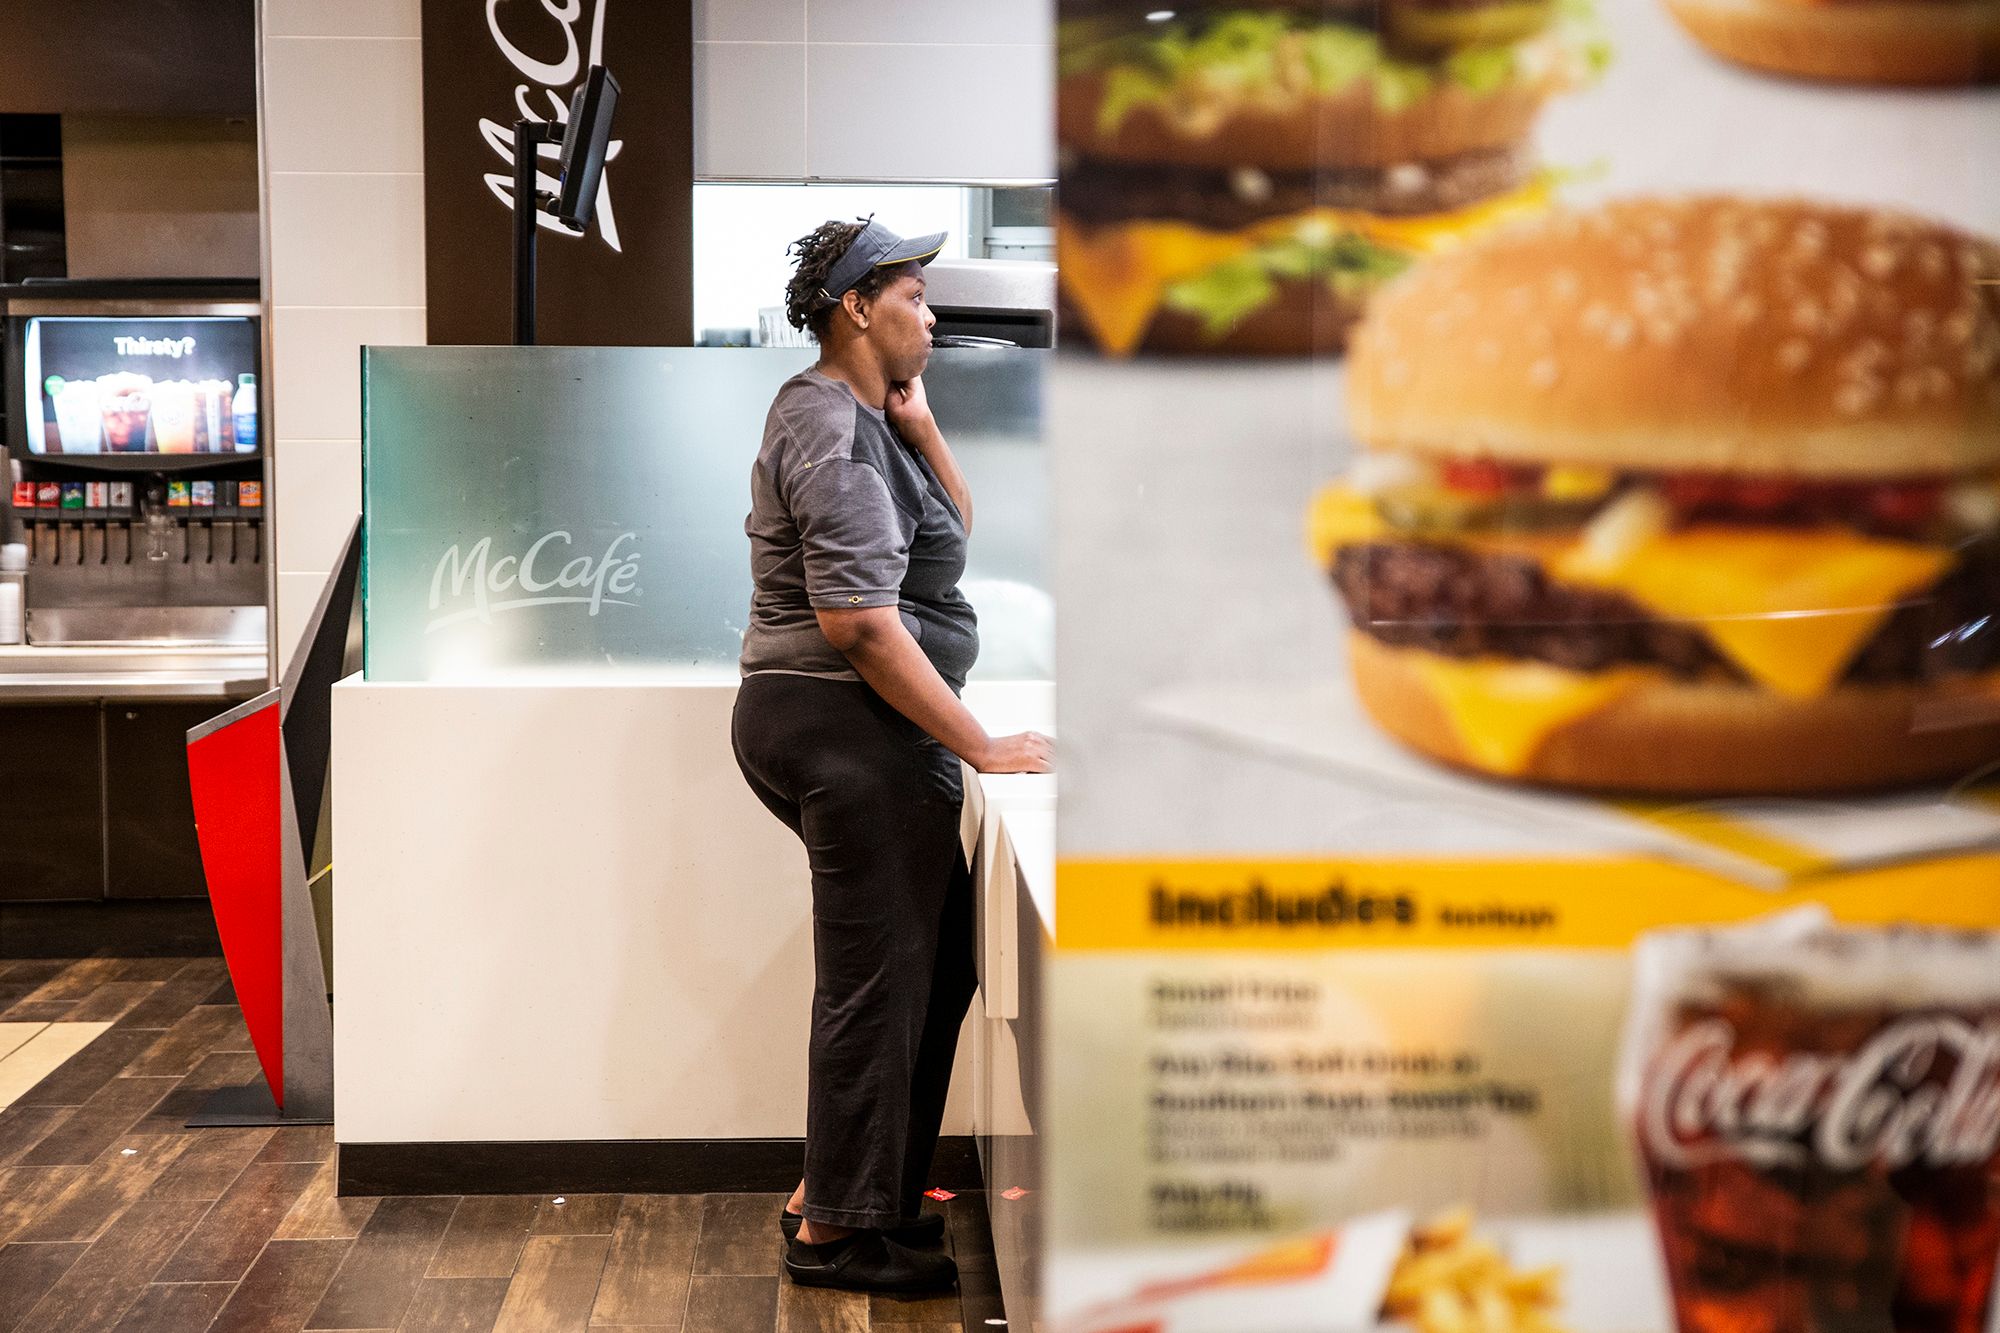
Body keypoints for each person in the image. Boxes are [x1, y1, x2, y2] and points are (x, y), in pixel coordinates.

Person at [732, 217, 1054, 1294]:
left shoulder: (869, 421)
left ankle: (857, 1198)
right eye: (913, 292)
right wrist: (981, 747)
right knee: (877, 979)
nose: (931, 312)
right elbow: (858, 621)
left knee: (937, 955)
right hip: (838, 721)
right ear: (855, 306)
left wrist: (920, 431)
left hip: (865, 725)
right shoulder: (822, 420)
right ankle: (835, 1231)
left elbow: (950, 533)